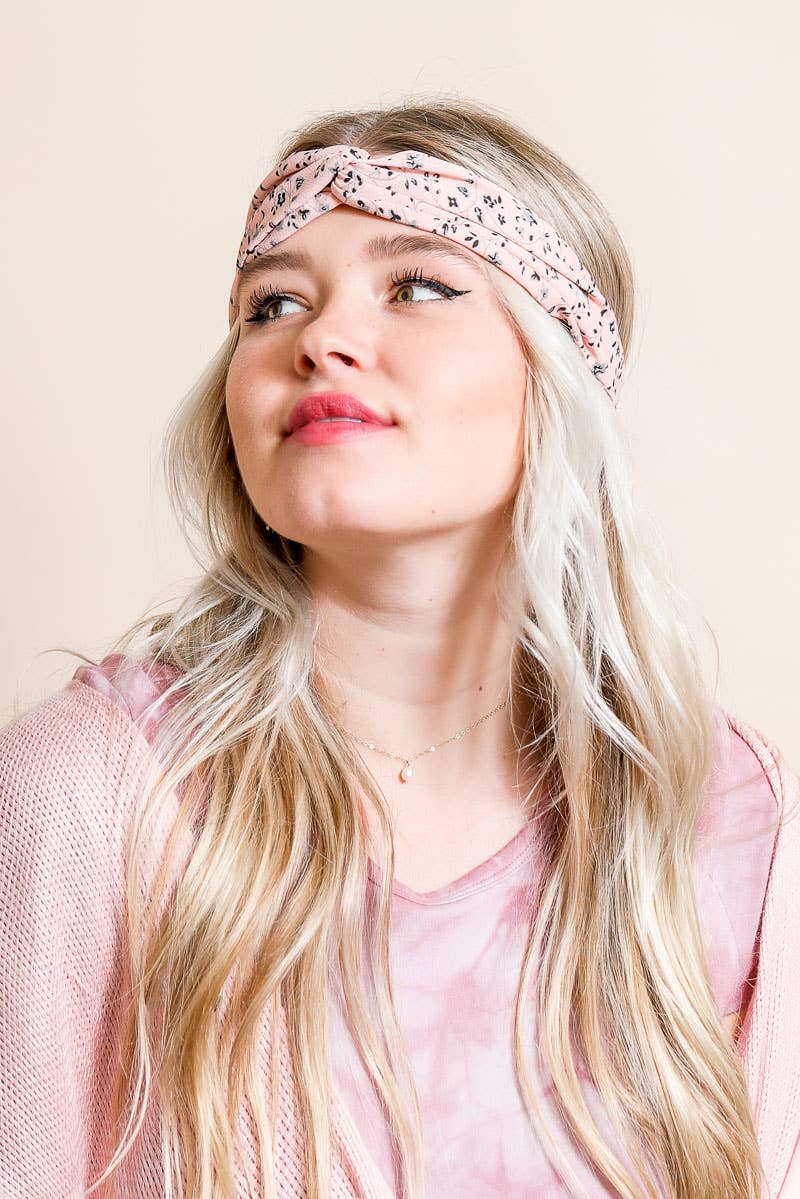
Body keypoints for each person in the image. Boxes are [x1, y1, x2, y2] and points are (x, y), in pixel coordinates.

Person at [1, 97, 798, 1199]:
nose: (317, 340)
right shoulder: (86, 793)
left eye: (417, 285)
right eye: (271, 304)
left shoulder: (724, 815)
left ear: (558, 368)